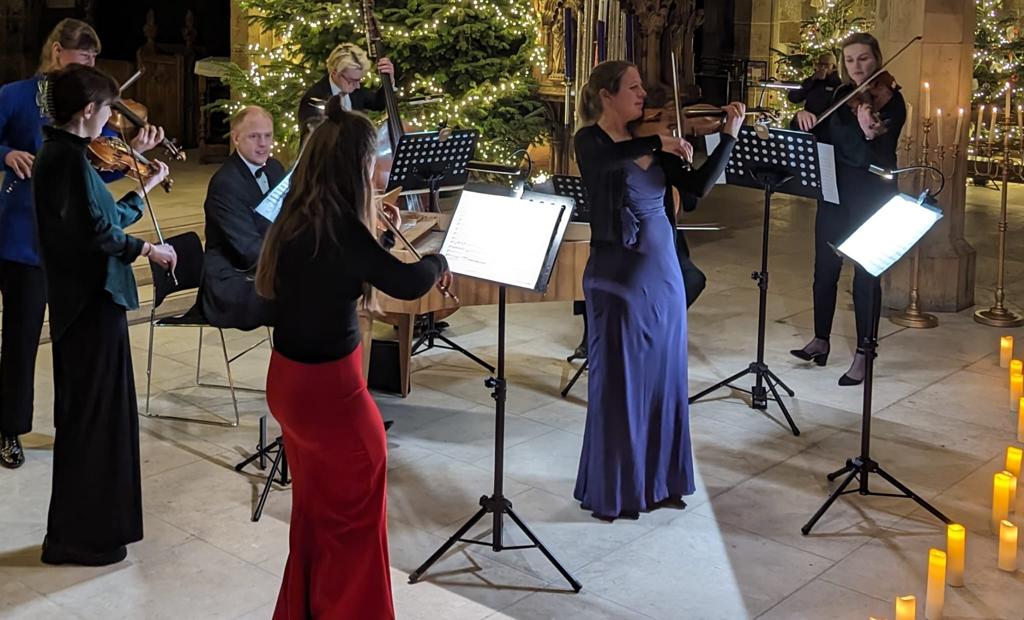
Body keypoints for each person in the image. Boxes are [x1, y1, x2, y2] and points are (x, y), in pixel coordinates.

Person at [255, 97, 450, 618]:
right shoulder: (342, 228)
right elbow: (407, 281)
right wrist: (440, 259)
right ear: (357, 166)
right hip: (331, 396)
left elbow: (345, 266)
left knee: (316, 515)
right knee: (356, 523)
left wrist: (376, 231)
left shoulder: (296, 218)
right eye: (373, 158)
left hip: (289, 385)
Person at [572, 60, 742, 521]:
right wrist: (662, 138)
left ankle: (661, 482)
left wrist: (727, 135)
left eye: (642, 88)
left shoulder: (658, 147)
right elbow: (606, 160)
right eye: (632, 88)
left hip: (663, 271)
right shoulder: (591, 140)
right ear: (607, 95)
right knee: (622, 381)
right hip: (617, 275)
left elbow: (699, 187)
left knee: (665, 378)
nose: (642, 95)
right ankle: (619, 488)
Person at [0, 18, 164, 469]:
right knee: (21, 338)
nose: (91, 65)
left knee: (72, 339)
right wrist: (6, 154)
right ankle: (9, 428)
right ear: (57, 52)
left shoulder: (89, 110)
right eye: (84, 57)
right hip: (24, 237)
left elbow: (99, 168)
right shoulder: (16, 96)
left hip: (72, 245)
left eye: (94, 58)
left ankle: (72, 425)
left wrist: (136, 154)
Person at [33, 63, 177, 565]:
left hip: (97, 303)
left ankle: (95, 532)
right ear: (88, 110)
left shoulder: (70, 156)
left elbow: (107, 216)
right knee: (92, 422)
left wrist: (145, 185)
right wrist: (148, 252)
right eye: (106, 112)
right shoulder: (64, 159)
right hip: (87, 305)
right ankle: (78, 539)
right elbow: (97, 235)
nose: (112, 124)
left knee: (103, 421)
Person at [789, 33, 905, 386]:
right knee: (824, 269)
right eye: (851, 60)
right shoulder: (838, 96)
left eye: (864, 59)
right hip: (835, 190)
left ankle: (864, 354)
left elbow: (877, 147)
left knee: (865, 277)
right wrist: (803, 117)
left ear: (877, 58)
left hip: (871, 194)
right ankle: (820, 340)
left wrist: (870, 131)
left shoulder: (892, 101)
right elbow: (818, 137)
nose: (857, 67)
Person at [199, 106, 283, 330]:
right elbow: (248, 250)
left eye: (268, 136)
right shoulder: (226, 184)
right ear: (236, 138)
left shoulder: (275, 168)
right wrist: (293, 265)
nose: (263, 143)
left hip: (264, 265)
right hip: (233, 279)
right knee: (302, 297)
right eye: (254, 136)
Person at [297, 43, 395, 139]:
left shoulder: (353, 87)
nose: (357, 86)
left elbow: (378, 103)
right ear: (334, 72)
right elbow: (318, 145)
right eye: (352, 80)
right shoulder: (313, 101)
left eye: (359, 80)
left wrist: (389, 80)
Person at [788, 52, 842, 121]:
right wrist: (812, 79)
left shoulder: (838, 83)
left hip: (828, 123)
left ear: (834, 66)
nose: (822, 67)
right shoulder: (813, 80)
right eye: (820, 64)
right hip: (810, 121)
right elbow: (793, 97)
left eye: (826, 65)